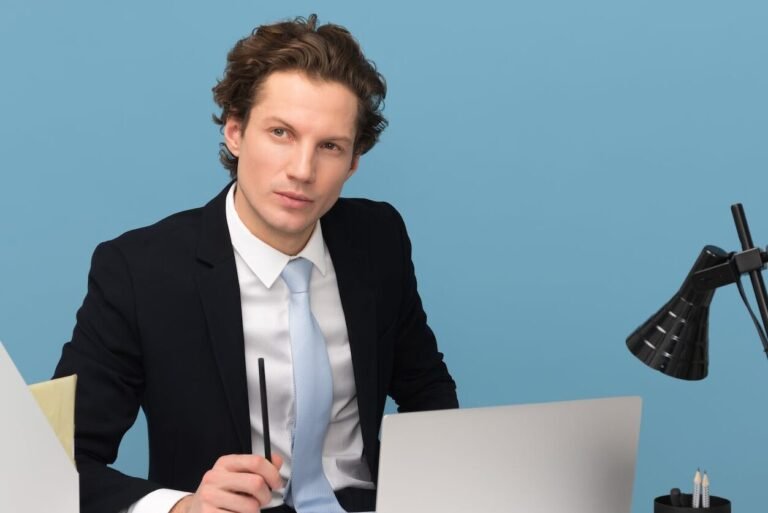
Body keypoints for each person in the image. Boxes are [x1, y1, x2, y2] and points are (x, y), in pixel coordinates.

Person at [54, 14, 458, 513]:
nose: (302, 171)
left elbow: (427, 388)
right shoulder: (138, 272)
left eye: (330, 146)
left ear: (353, 162)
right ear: (235, 132)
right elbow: (58, 463)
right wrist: (182, 508)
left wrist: (439, 490)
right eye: (281, 133)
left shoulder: (378, 239)